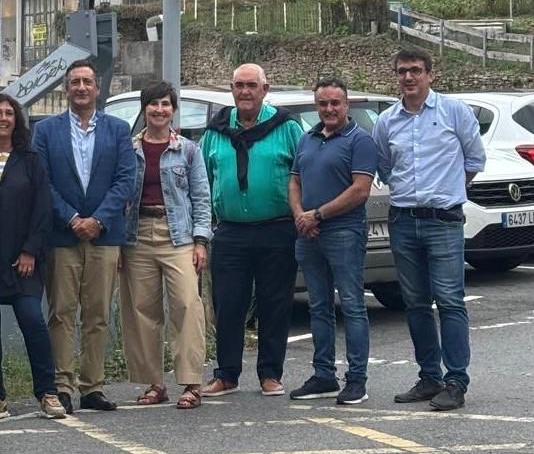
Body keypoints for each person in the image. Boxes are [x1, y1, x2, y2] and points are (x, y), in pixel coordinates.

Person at [373, 49, 485, 411]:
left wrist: (448, 191)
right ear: (396, 76)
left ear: (430, 75)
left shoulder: (455, 112)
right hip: (404, 220)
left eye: (416, 71)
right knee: (416, 303)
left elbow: (474, 160)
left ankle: (456, 381)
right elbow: (386, 169)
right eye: (403, 71)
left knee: (450, 301)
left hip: (443, 220)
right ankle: (429, 377)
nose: (409, 77)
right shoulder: (387, 121)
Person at [33, 58, 137, 413]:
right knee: (61, 312)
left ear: (97, 88)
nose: (81, 88)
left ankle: (93, 387)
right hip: (63, 236)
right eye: (74, 82)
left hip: (104, 236)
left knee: (97, 314)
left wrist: (99, 220)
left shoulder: (118, 129)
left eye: (87, 82)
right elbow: (42, 183)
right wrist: (73, 218)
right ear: (66, 88)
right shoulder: (45, 131)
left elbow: (126, 180)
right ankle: (61, 385)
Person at [0, 94, 66, 420]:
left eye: (9, 113)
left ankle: (47, 392)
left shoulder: (30, 159)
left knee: (32, 320)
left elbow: (42, 208)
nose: (3, 118)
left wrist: (30, 250)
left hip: (22, 258)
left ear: (17, 120)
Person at [200, 64, 301, 396]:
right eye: (239, 86)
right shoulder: (215, 132)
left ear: (265, 89)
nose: (245, 92)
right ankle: (226, 374)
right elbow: (202, 181)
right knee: (228, 304)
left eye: (251, 86)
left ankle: (270, 373)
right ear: (231, 89)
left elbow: (301, 174)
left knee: (275, 303)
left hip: (277, 229)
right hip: (230, 231)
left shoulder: (286, 127)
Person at [120, 82, 212, 411]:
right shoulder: (128, 150)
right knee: (142, 311)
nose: (160, 110)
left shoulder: (188, 150)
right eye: (153, 104)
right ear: (144, 109)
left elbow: (201, 197)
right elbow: (119, 198)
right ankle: (153, 383)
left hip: (179, 236)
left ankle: (191, 383)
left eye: (166, 104)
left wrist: (200, 240)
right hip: (137, 234)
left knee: (187, 305)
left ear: (173, 110)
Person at [288, 78, 377, 407]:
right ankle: (323, 375)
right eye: (323, 104)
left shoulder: (360, 141)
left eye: (335, 103)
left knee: (353, 306)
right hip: (308, 234)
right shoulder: (306, 139)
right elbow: (294, 181)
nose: (329, 109)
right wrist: (301, 216)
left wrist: (318, 216)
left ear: (346, 105)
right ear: (316, 106)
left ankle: (356, 380)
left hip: (343, 232)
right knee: (319, 307)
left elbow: (360, 190)